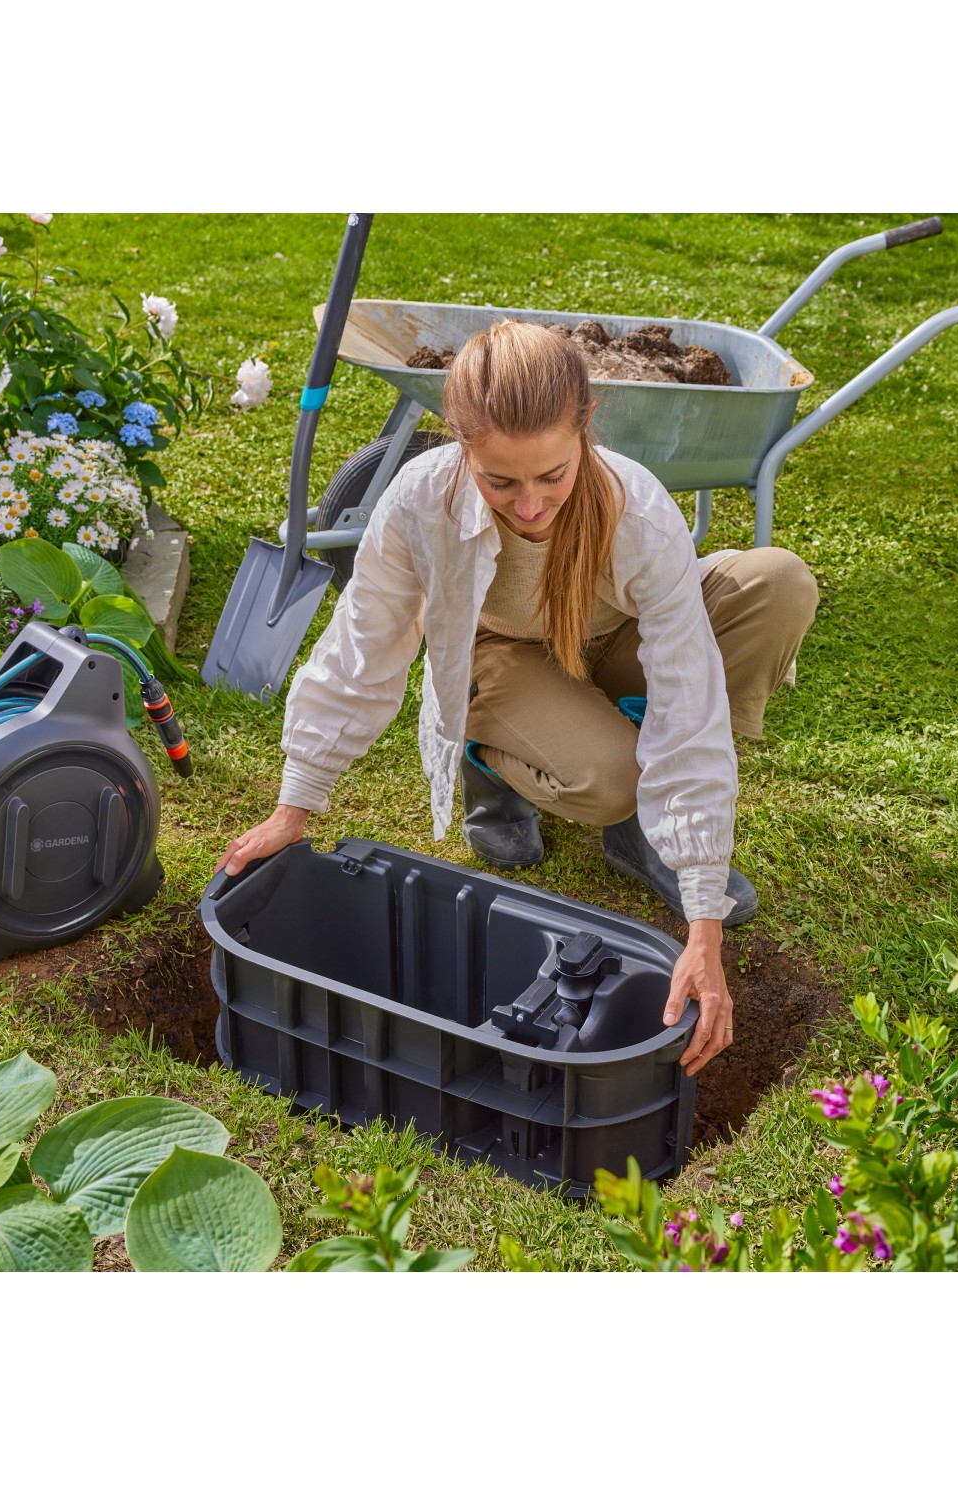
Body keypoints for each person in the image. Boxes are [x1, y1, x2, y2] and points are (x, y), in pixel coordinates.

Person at [214, 320, 818, 1075]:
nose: (530, 506)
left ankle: (652, 836)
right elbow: (362, 651)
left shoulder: (637, 508)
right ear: (459, 444)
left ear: (586, 426)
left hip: (608, 637)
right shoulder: (419, 502)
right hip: (501, 652)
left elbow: (689, 699)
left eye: (552, 476)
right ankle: (493, 762)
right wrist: (294, 805)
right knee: (609, 778)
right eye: (500, 482)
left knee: (776, 585)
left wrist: (703, 921)